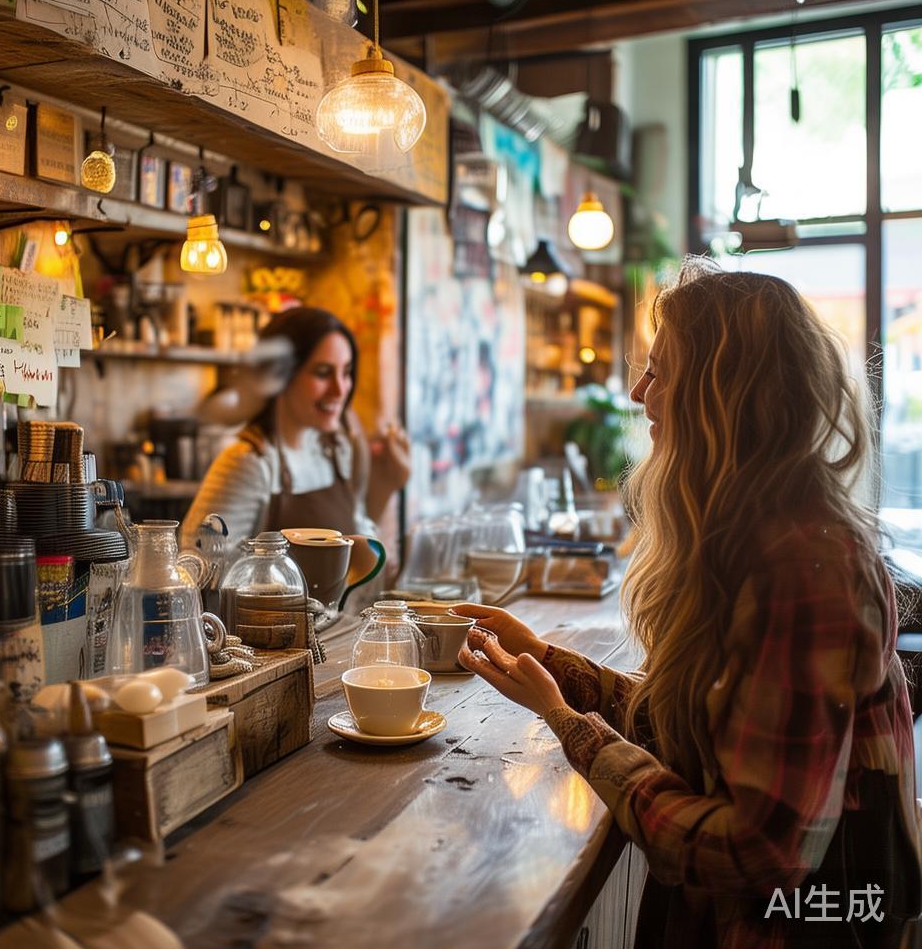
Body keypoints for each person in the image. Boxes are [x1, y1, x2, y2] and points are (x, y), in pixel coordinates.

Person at [454, 261, 922, 948]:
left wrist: (570, 725)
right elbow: (704, 732)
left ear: (725, 395)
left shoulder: (806, 571)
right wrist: (549, 663)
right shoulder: (761, 537)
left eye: (660, 372)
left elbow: (754, 855)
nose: (639, 393)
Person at [182, 306, 410, 552]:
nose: (340, 389)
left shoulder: (336, 450)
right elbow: (198, 564)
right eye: (323, 373)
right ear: (280, 377)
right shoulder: (248, 464)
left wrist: (386, 483)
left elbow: (355, 541)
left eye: (346, 372)